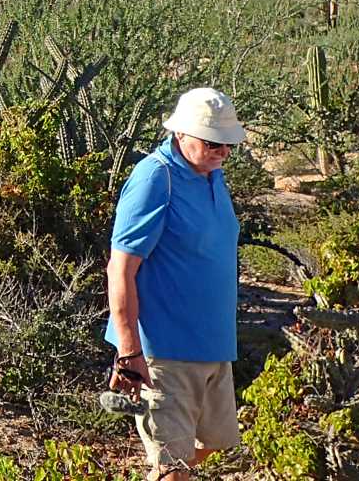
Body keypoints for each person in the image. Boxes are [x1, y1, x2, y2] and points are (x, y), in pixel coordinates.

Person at [105, 87, 247, 481]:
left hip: (213, 345)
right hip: (164, 350)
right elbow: (120, 269)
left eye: (227, 144)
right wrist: (129, 352)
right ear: (181, 133)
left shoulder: (211, 174)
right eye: (212, 142)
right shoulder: (156, 177)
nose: (222, 152)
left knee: (216, 444)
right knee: (174, 468)